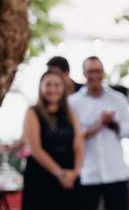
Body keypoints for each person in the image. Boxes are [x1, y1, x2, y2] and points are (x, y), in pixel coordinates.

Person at [69, 56, 129, 210]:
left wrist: (113, 124)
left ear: (103, 73)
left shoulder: (118, 99)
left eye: (98, 71)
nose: (94, 75)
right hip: (88, 174)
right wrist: (99, 125)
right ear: (84, 74)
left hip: (116, 172)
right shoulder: (73, 102)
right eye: (90, 71)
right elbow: (72, 136)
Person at [22, 70, 83, 210]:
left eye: (57, 85)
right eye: (48, 85)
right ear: (41, 87)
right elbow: (36, 149)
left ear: (63, 88)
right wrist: (59, 174)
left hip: (69, 174)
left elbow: (79, 144)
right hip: (41, 175)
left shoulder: (71, 113)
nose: (52, 89)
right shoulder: (32, 112)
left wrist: (75, 172)